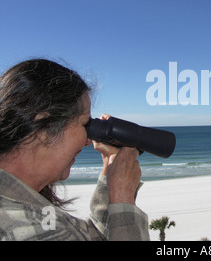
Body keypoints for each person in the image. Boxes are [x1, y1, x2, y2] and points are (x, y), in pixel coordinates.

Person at [0, 58, 150, 240]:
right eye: (85, 124)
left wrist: (110, 173)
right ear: (45, 128)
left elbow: (89, 237)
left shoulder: (26, 209)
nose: (88, 141)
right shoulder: (22, 230)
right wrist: (123, 198)